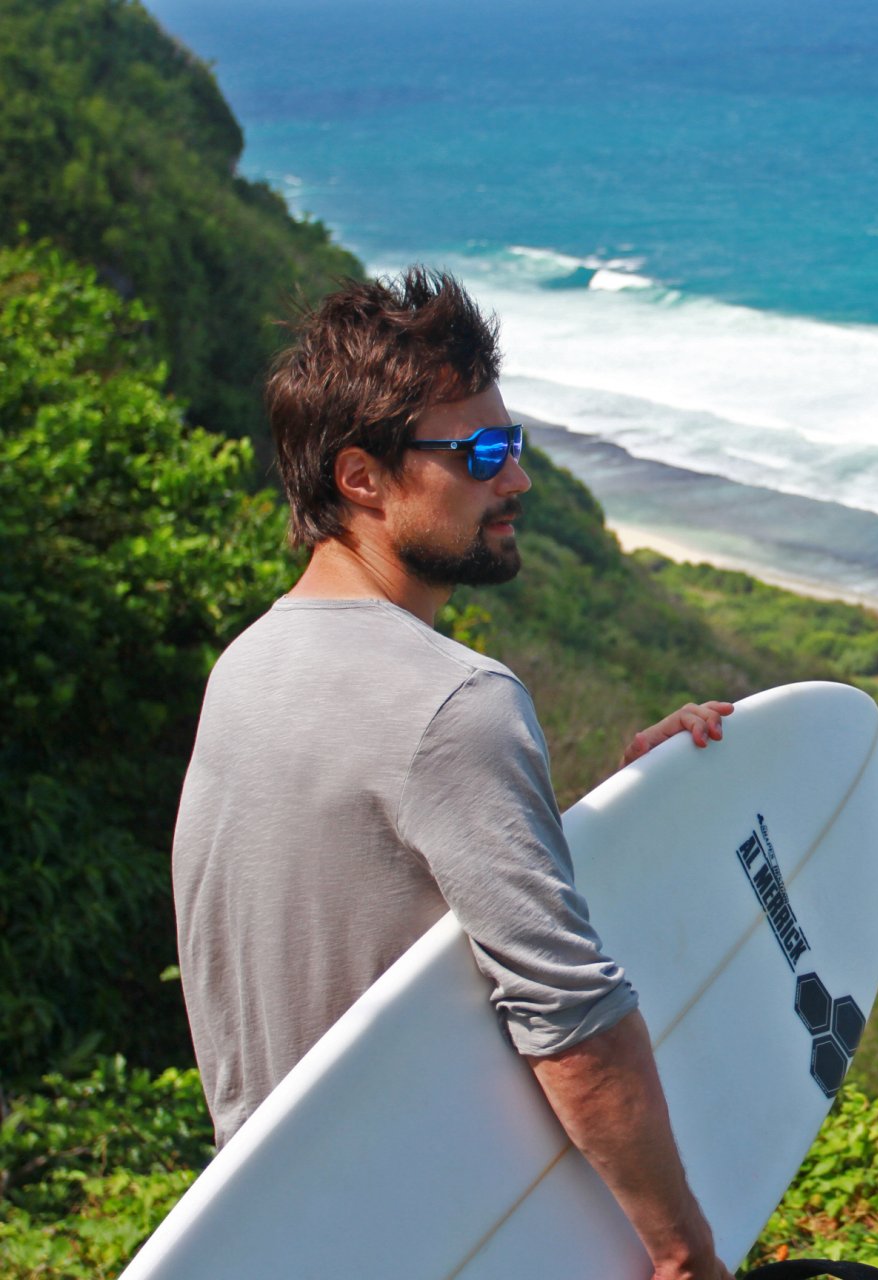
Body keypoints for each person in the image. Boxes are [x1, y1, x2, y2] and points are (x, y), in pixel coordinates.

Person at [171, 268, 732, 1280]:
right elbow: (572, 1026)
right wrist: (682, 1248)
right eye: (479, 453)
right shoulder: (453, 705)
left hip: (272, 1228)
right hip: (435, 1234)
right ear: (362, 479)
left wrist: (626, 821)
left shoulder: (248, 665)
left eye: (512, 443)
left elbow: (372, 927)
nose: (515, 479)